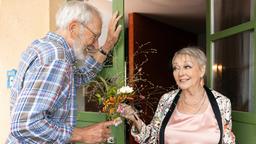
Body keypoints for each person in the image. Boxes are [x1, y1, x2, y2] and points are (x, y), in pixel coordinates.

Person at [7, 1, 122, 143]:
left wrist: (108, 44)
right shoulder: (57, 58)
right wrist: (82, 134)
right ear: (73, 28)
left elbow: (81, 76)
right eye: (95, 36)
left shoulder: (44, 48)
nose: (96, 45)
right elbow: (24, 125)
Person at [118, 47, 236, 144]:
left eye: (187, 66)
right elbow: (151, 138)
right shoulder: (167, 100)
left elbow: (227, 141)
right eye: (176, 68)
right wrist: (134, 118)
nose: (180, 73)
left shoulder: (222, 102)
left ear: (202, 70)